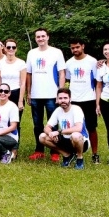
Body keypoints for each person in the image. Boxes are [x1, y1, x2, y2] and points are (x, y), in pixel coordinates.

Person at [25, 28, 66, 161]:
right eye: (38, 37)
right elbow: (29, 74)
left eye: (43, 36)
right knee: (37, 124)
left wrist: (60, 93)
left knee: (53, 124)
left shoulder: (56, 52)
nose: (41, 39)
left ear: (48, 37)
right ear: (35, 39)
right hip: (36, 95)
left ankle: (55, 151)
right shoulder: (31, 53)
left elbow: (61, 73)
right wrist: (29, 93)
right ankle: (39, 150)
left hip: (52, 95)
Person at [66, 39, 100, 163]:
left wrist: (97, 101)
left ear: (83, 46)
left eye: (77, 47)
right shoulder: (69, 63)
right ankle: (75, 152)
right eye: (72, 48)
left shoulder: (92, 61)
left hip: (89, 99)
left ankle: (95, 154)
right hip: (74, 101)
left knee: (91, 127)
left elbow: (97, 81)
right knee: (74, 128)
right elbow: (68, 80)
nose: (75, 50)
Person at [39, 88, 89, 169]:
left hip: (81, 141)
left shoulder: (76, 109)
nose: (63, 101)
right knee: (42, 137)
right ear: (57, 100)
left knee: (75, 135)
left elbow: (78, 128)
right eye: (60, 98)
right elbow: (47, 127)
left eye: (65, 98)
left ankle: (79, 158)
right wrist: (50, 133)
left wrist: (58, 132)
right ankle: (66, 155)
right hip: (65, 140)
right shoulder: (58, 110)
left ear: (70, 99)